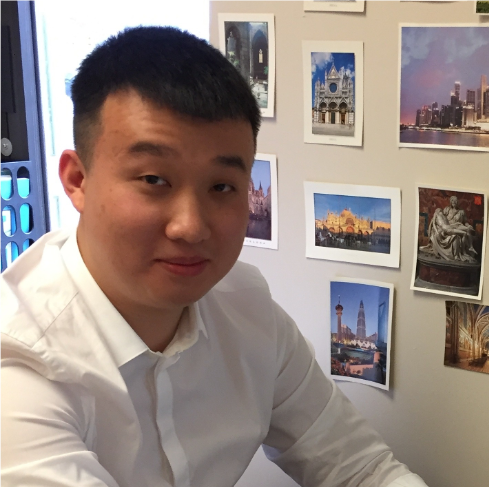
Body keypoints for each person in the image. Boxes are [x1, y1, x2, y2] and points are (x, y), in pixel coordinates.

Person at [0, 26, 428, 487]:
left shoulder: (246, 308)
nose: (191, 226)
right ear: (78, 180)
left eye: (222, 186)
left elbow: (361, 469)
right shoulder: (21, 368)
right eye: (153, 180)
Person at [420, 197, 477, 263]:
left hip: (458, 226)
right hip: (448, 228)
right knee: (456, 236)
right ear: (450, 202)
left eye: (455, 201)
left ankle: (468, 249)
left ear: (457, 202)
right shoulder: (446, 209)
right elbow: (440, 219)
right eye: (452, 200)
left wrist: (468, 225)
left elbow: (465, 222)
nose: (454, 202)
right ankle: (456, 255)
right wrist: (436, 228)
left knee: (468, 231)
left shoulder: (462, 212)